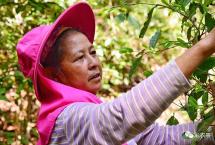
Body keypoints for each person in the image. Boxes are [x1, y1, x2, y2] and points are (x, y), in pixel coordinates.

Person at [16, 2, 215, 145]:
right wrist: (203, 47)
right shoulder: (65, 123)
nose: (93, 63)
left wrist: (209, 133)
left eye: (92, 52)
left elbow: (161, 139)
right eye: (79, 58)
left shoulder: (93, 109)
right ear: (54, 76)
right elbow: (119, 118)